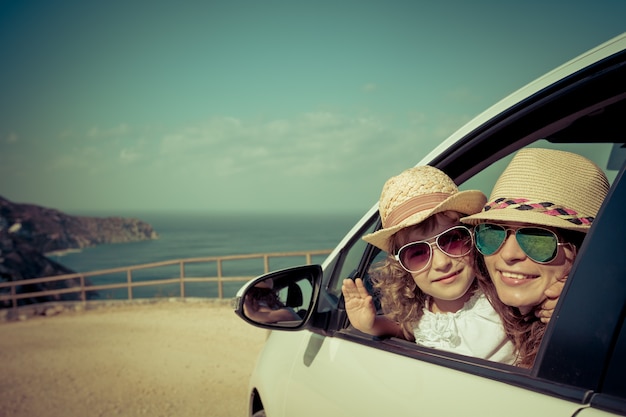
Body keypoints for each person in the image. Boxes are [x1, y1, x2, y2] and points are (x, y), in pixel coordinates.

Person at [342, 165, 517, 364]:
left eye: (452, 240)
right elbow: (405, 329)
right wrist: (371, 325)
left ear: (473, 237)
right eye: (417, 253)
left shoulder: (503, 296)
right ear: (402, 266)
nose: (442, 263)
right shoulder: (420, 312)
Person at [461, 147, 610, 368]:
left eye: (538, 237)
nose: (509, 254)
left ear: (584, 251)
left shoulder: (590, 342)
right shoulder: (480, 304)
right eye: (492, 232)